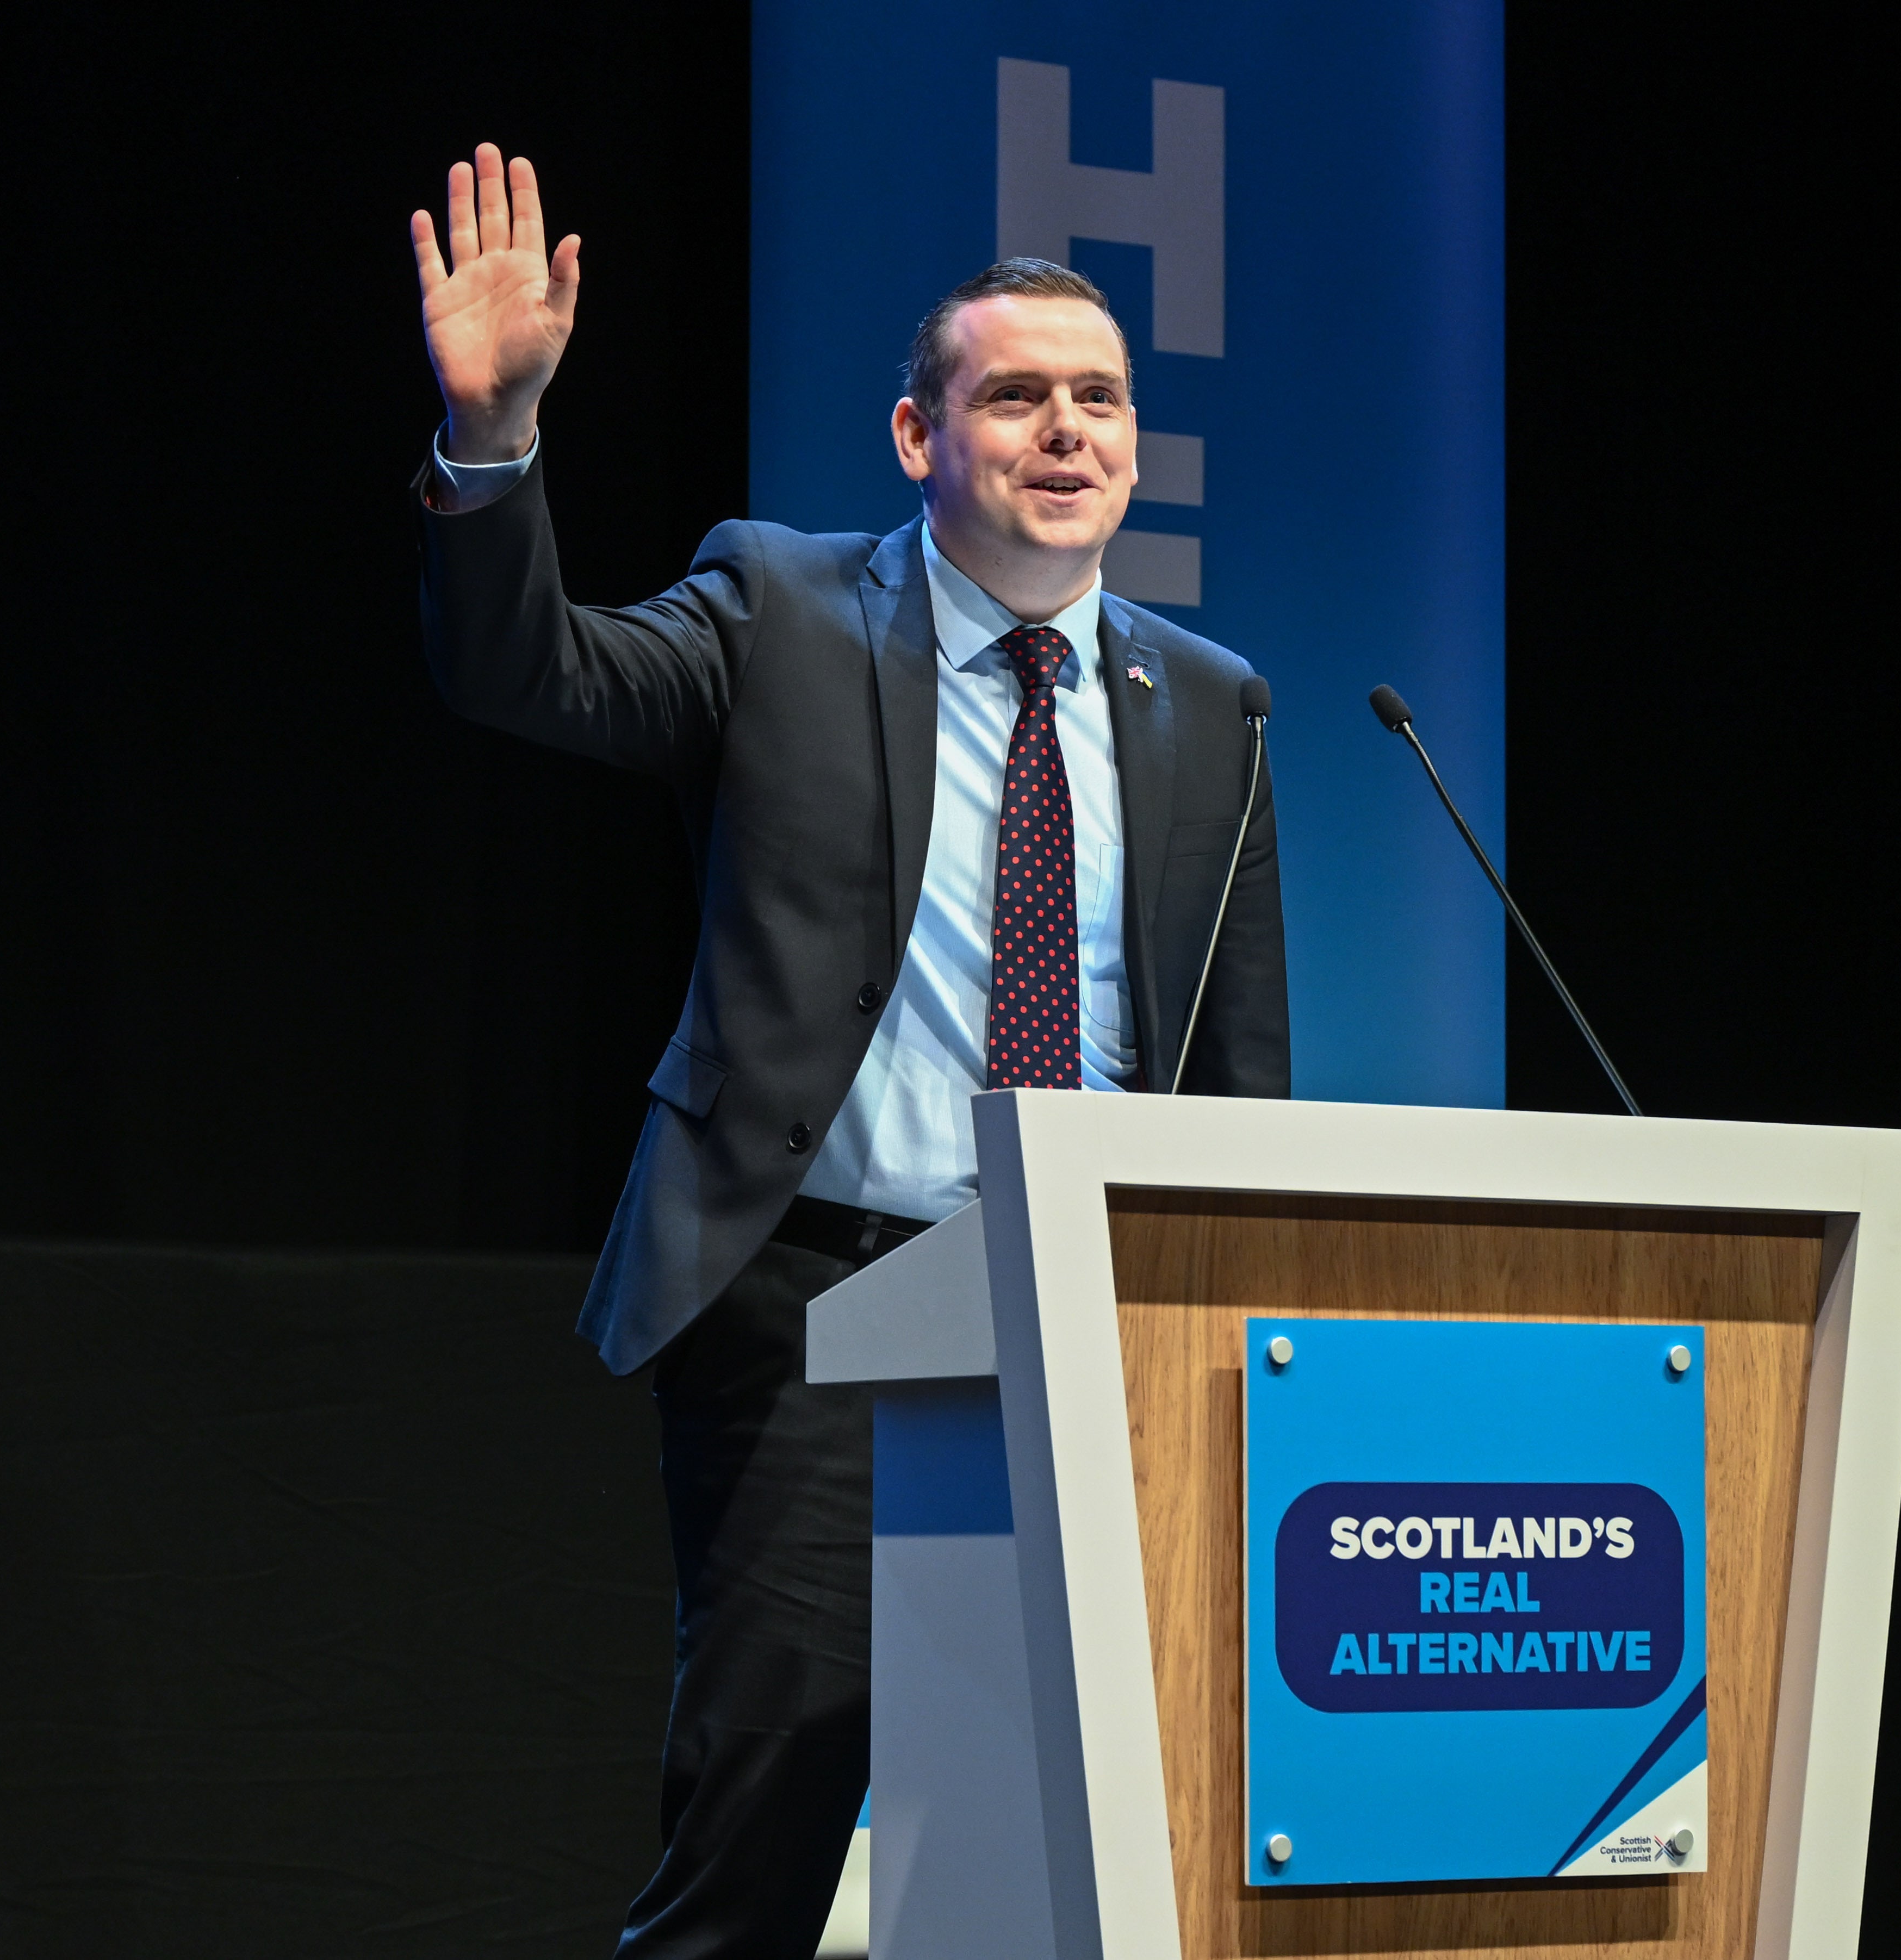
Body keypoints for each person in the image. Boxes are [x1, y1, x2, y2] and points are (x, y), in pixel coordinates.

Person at [407, 142, 1288, 1955]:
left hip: (1099, 1331)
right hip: (822, 1317)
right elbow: (532, 679)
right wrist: (493, 441)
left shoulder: (1211, 702)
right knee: (768, 1833)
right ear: (917, 438)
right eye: (1015, 395)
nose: (1066, 431)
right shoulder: (783, 610)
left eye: (1101, 399)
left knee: (1110, 1839)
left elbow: (1238, 1065)